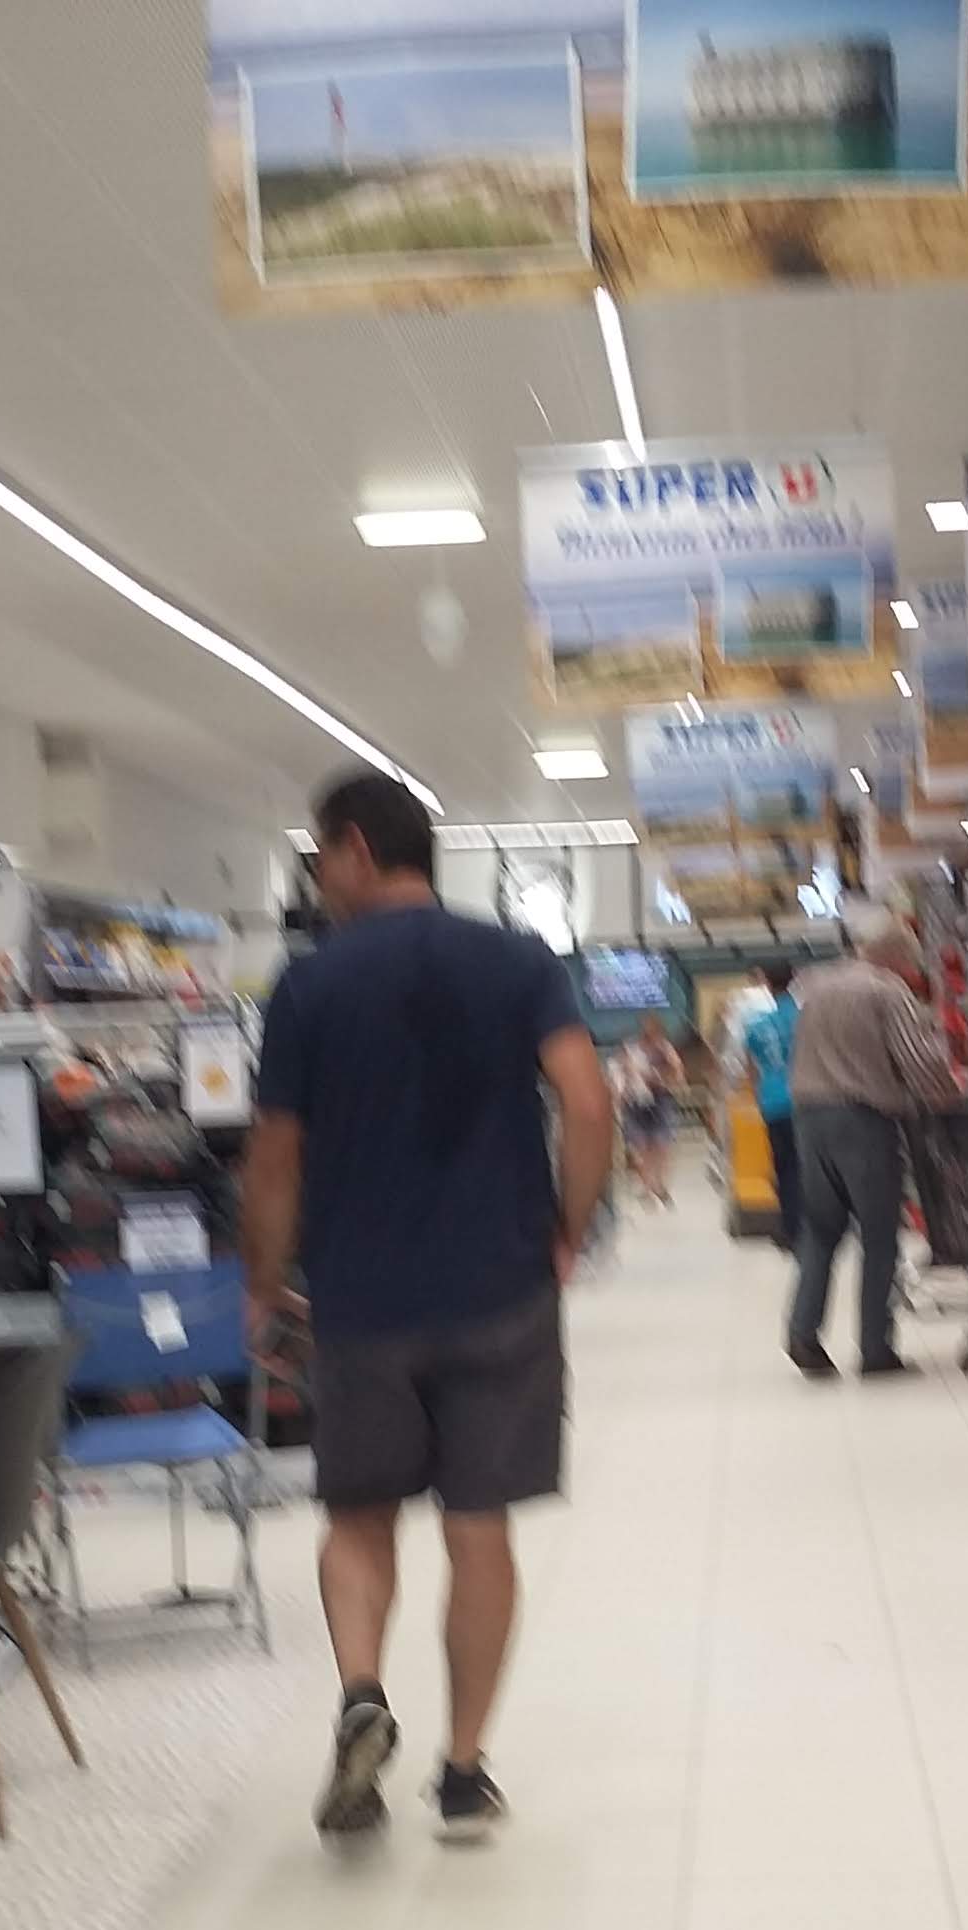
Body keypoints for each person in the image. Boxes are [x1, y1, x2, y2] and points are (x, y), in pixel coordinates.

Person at [244, 770, 614, 1845]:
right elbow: (587, 1102)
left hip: (362, 1299)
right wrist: (568, 1228)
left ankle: (363, 1691)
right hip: (501, 1287)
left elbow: (274, 1158)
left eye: (321, 856)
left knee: (359, 1519)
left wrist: (262, 1281)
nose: (319, 878)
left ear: (358, 849)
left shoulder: (309, 985)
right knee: (478, 1527)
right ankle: (461, 1770)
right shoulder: (518, 961)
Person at [784, 916, 961, 1381]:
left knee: (821, 1230)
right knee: (879, 1235)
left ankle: (803, 1333)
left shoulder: (816, 987)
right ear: (897, 959)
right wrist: (950, 1094)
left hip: (808, 1118)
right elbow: (918, 1059)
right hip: (861, 1121)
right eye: (911, 966)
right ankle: (875, 1347)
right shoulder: (886, 990)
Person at [738, 960, 801, 1248]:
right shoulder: (804, 1019)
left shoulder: (756, 1026)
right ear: (794, 979)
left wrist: (757, 1097)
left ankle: (790, 1226)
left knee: (783, 1166)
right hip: (805, 1101)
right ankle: (816, 1226)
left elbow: (751, 1070)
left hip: (773, 1103)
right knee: (810, 1165)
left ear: (766, 982)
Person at [612, 1013, 685, 1207]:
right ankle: (647, 1187)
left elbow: (677, 1074)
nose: (650, 1033)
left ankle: (659, 1185)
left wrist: (659, 1077)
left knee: (661, 1144)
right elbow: (619, 1073)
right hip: (636, 1101)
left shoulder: (665, 1049)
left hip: (660, 1099)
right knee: (641, 1146)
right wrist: (620, 1094)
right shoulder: (630, 1049)